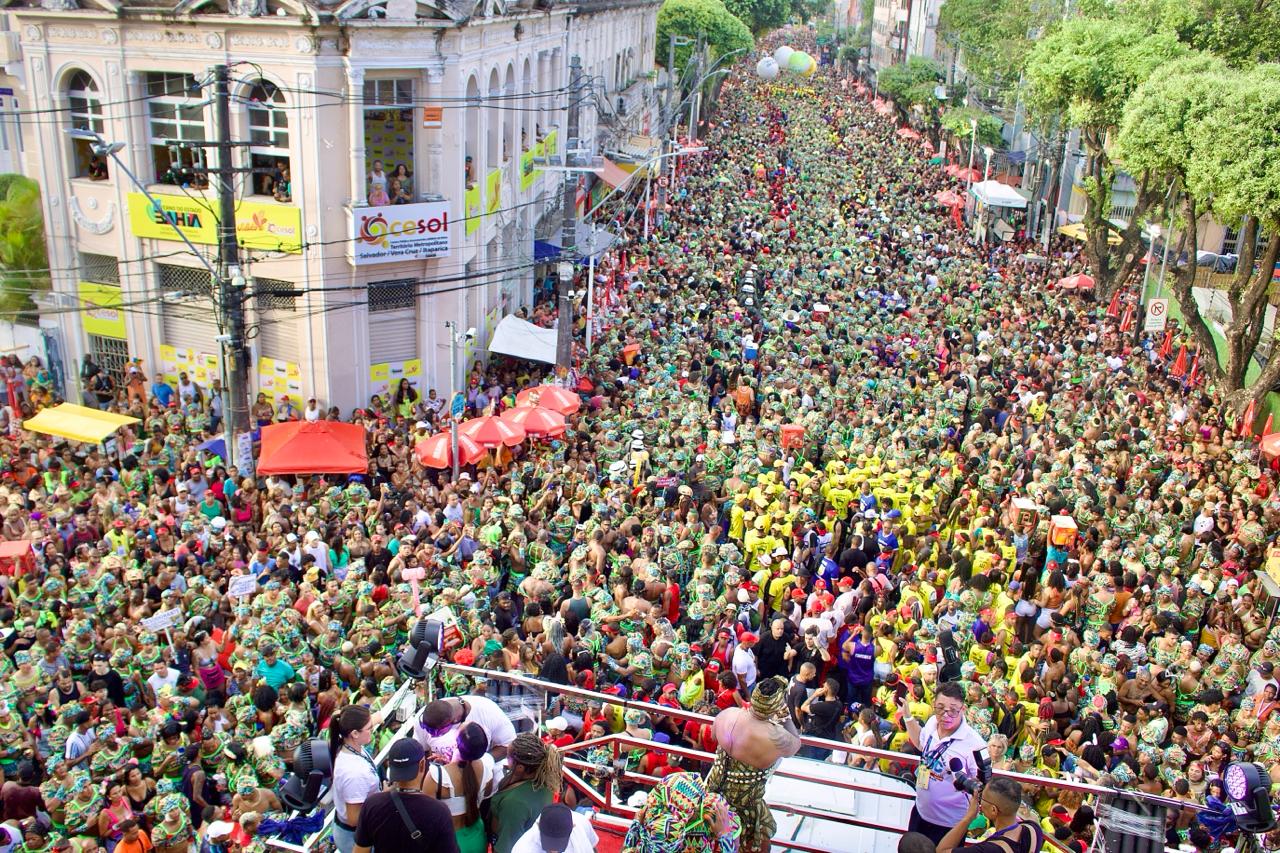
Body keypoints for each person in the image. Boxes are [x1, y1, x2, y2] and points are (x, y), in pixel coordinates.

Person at [705, 677, 801, 853]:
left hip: (712, 795)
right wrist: (785, 715)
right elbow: (796, 744)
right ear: (776, 705)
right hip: (746, 806)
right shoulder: (777, 737)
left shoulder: (727, 714)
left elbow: (712, 737)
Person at [902, 682, 991, 846]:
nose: (945, 715)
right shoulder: (931, 724)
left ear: (962, 709)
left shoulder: (975, 744)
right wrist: (907, 716)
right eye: (940, 708)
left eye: (953, 710)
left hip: (949, 824)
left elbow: (984, 784)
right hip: (921, 811)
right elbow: (921, 745)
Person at [352, 738, 458, 853]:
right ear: (422, 764)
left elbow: (360, 850)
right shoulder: (439, 811)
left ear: (390, 766)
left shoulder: (372, 805)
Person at [419, 723, 494, 853]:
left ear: (456, 742)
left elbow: (426, 814)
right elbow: (476, 790)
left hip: (449, 842)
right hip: (477, 838)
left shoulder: (436, 777)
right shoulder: (487, 771)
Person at [487, 733, 563, 853]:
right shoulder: (545, 782)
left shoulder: (515, 803)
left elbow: (506, 847)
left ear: (520, 768)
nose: (506, 760)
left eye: (508, 757)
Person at [935, 777, 1044, 853]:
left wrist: (969, 817)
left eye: (982, 798)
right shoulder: (1034, 829)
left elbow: (941, 850)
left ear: (993, 810)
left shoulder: (989, 849)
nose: (980, 801)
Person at [330, 705, 381, 853]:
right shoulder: (354, 773)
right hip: (355, 838)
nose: (372, 729)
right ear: (354, 733)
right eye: (369, 728)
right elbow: (354, 819)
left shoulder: (350, 746)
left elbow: (374, 719)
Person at [511, 803, 597, 853]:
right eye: (549, 842)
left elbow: (592, 847)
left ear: (573, 827)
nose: (553, 851)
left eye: (559, 842)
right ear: (538, 826)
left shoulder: (581, 822)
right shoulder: (523, 849)